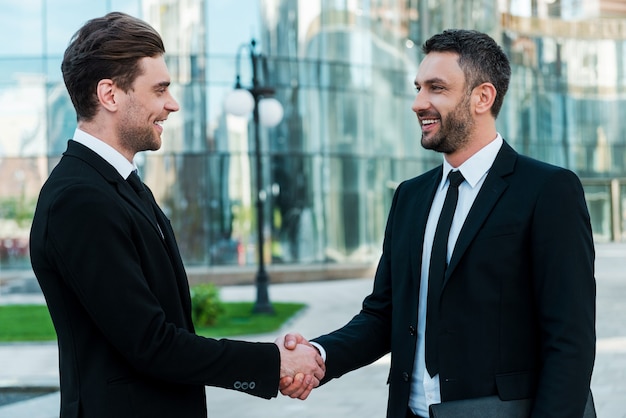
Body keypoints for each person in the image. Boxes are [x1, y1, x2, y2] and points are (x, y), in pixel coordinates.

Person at [279, 29, 596, 417]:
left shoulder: (548, 190)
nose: (418, 103)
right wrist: (319, 354)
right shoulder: (409, 197)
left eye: (436, 88)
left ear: (483, 97)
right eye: (418, 88)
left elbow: (570, 341)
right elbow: (384, 314)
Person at [29, 12, 323, 418]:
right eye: (160, 89)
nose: (172, 104)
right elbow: (151, 343)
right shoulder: (79, 199)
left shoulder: (119, 184)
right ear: (110, 95)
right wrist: (273, 364)